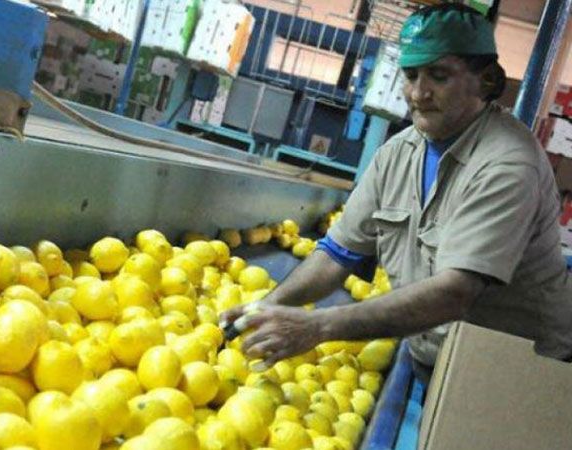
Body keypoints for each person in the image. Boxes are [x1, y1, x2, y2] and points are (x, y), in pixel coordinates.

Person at [221, 4, 572, 379]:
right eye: (411, 75)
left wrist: (317, 326)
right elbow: (337, 256)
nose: (419, 93)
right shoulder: (398, 153)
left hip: (523, 370)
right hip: (437, 355)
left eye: (439, 76)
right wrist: (262, 311)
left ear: (485, 80)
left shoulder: (507, 164)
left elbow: (455, 292)